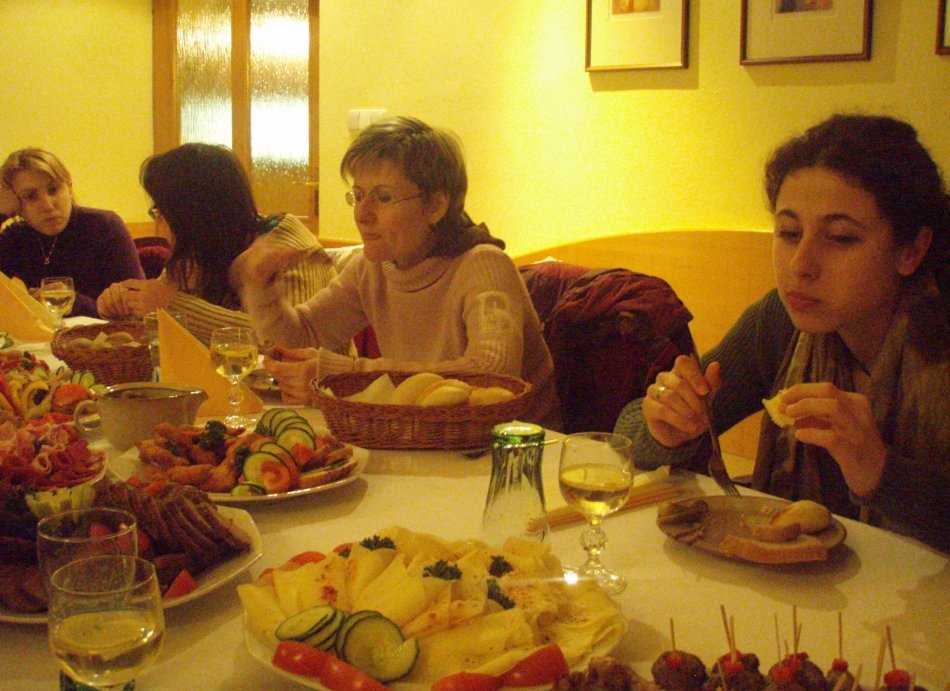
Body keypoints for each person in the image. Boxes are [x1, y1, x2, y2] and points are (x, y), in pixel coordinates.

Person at [615, 114, 948, 552]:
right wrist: (667, 427)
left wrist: (882, 473)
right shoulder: (780, 321)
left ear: (911, 251)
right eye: (789, 232)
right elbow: (627, 436)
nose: (800, 264)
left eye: (840, 237)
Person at [233, 116, 560, 429]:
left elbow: (491, 373)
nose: (362, 214)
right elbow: (304, 333)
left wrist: (346, 375)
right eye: (358, 196)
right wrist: (264, 288)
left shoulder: (484, 266)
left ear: (436, 206)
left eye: (383, 197)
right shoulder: (372, 268)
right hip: (425, 438)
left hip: (520, 448)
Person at [96, 143, 340, 347]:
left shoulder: (287, 247)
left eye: (161, 210)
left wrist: (173, 306)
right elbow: (159, 308)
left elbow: (288, 345)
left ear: (192, 214)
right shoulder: (198, 252)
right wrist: (122, 306)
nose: (159, 221)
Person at [0, 148, 144, 317]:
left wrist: (74, 303)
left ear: (68, 188)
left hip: (106, 332)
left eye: (53, 190)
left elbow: (137, 309)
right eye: (31, 196)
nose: (47, 205)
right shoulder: (17, 236)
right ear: (16, 205)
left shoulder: (104, 226)